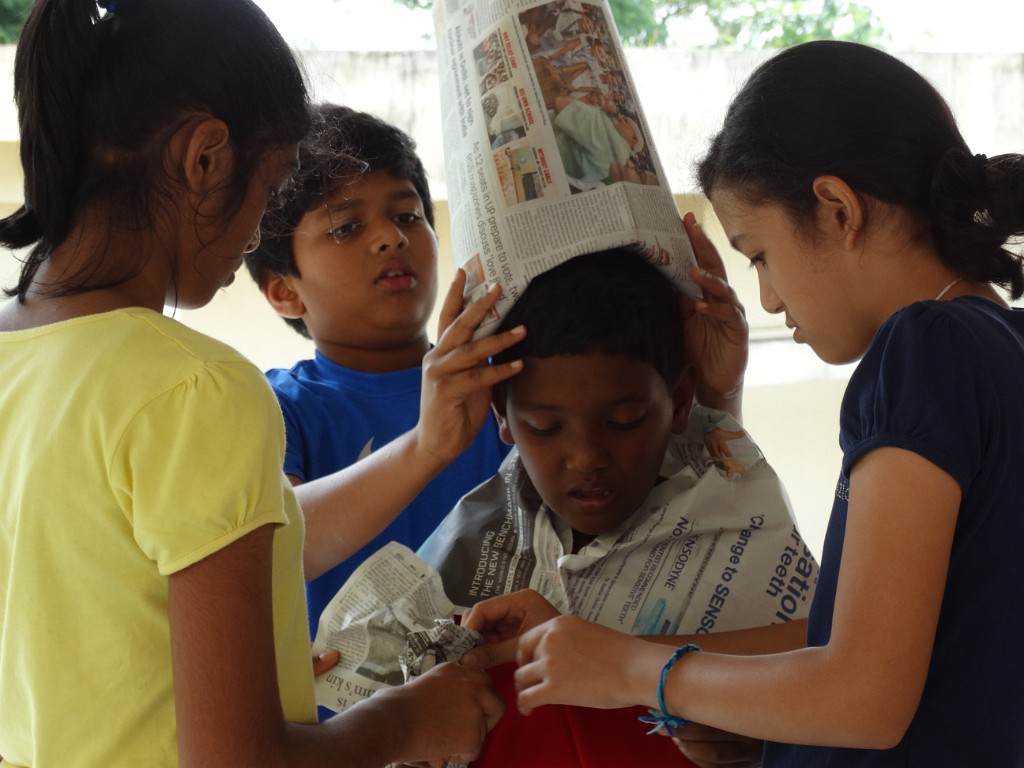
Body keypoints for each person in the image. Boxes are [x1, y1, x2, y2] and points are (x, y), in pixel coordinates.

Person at [462, 40, 1024, 767]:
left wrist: (637, 672)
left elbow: (864, 695)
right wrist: (627, 661)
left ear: (837, 209)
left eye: (758, 253)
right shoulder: (999, 346)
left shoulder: (923, 349)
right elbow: (846, 643)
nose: (768, 297)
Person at [0, 2, 510, 766]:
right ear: (205, 158)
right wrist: (406, 720)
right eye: (271, 188)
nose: (252, 237)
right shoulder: (199, 390)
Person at [419, 247, 815, 768]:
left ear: (679, 400)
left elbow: (835, 667)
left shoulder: (744, 538)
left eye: (623, 421)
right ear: (504, 416)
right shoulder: (473, 593)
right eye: (545, 427)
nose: (586, 458)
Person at [243, 105, 513, 674]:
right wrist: (426, 446)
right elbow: (281, 546)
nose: (391, 238)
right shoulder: (275, 406)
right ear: (285, 292)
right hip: (354, 723)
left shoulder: (502, 376)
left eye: (408, 216)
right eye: (346, 227)